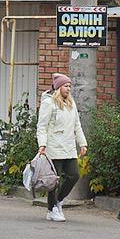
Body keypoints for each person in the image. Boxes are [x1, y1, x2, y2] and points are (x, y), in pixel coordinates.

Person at [36, 72, 87, 223]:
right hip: (53, 147)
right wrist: (42, 145)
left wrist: (82, 143)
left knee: (74, 175)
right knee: (54, 181)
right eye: (66, 86)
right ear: (58, 87)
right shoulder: (48, 103)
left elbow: (77, 125)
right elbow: (42, 126)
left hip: (69, 147)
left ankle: (58, 201)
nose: (69, 89)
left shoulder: (71, 103)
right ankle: (52, 210)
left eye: (70, 86)